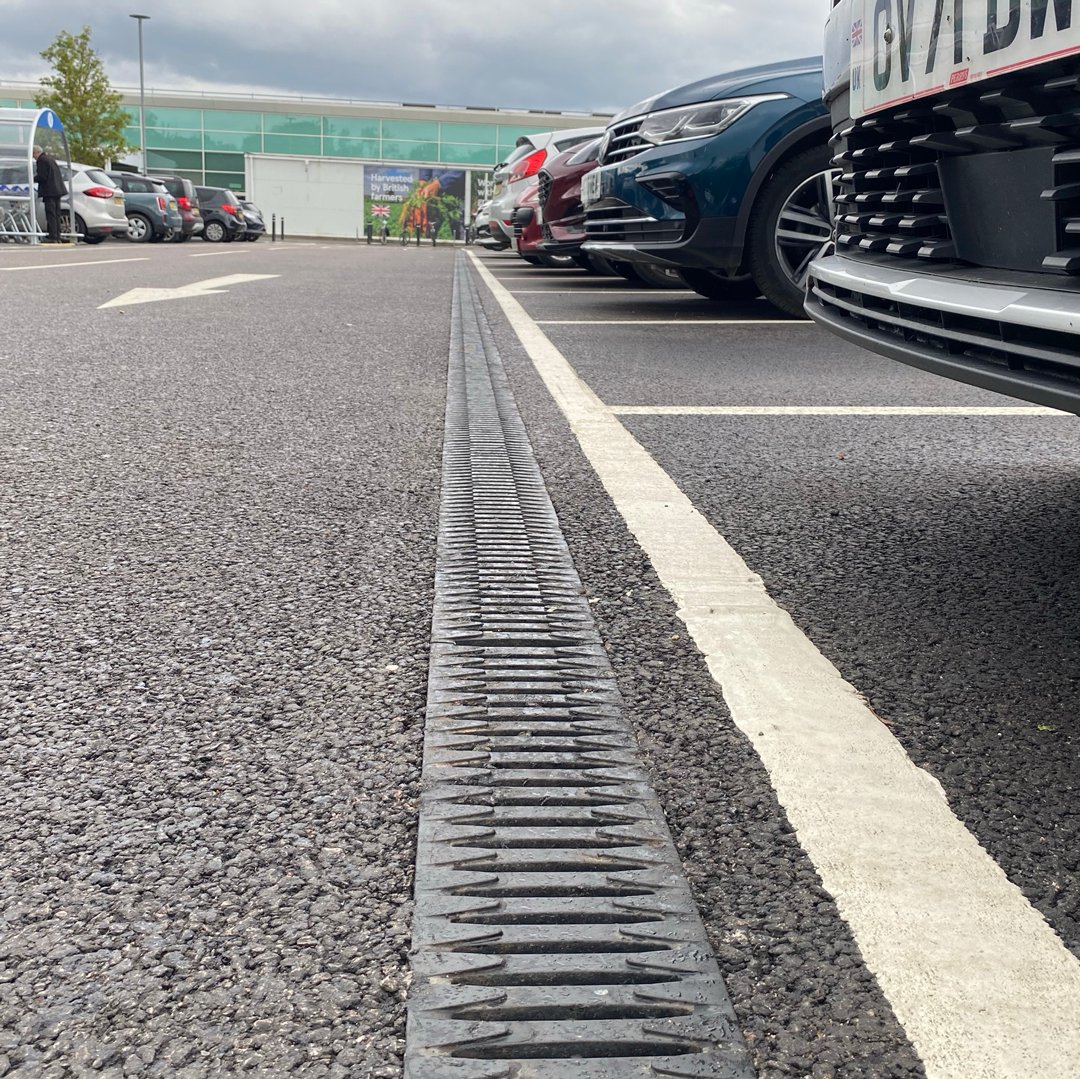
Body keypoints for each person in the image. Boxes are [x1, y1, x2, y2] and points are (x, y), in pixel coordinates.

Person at [32, 146, 66, 243]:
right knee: (56, 214)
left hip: (49, 191)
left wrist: (31, 178)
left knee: (50, 214)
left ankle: (53, 236)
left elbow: (42, 176)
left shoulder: (41, 160)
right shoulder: (50, 159)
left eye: (33, 154)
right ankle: (57, 236)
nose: (33, 157)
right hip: (57, 190)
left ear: (36, 152)